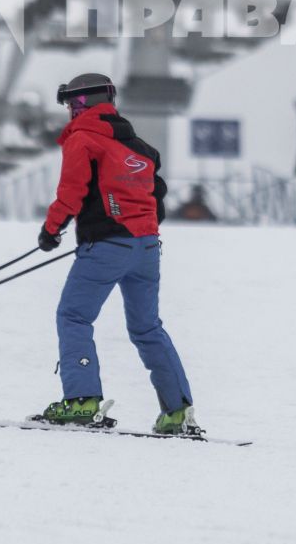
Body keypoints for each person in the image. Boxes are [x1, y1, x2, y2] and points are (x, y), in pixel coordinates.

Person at [34, 72, 197, 435]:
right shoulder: (140, 148)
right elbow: (158, 197)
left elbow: (71, 193)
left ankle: (81, 401)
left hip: (106, 246)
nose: (69, 112)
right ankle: (177, 412)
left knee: (74, 317)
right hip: (147, 248)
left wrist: (51, 230)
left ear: (84, 103)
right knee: (147, 327)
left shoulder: (84, 140)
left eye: (71, 104)